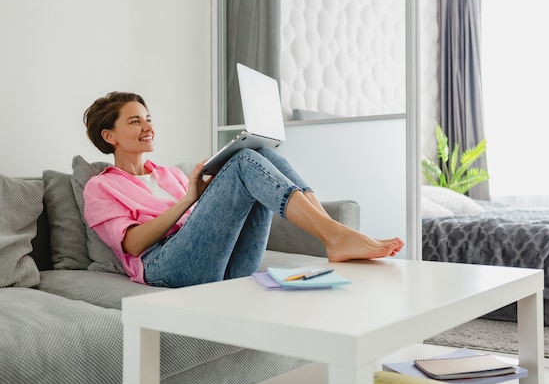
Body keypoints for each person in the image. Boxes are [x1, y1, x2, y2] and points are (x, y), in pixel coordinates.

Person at [82, 92, 404, 288]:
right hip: (162, 265)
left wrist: (213, 192)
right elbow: (134, 244)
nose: (149, 127)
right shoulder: (100, 186)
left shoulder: (168, 175)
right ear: (109, 136)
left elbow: (207, 223)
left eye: (148, 119)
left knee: (263, 154)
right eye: (135, 121)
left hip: (218, 260)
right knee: (244, 159)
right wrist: (189, 199)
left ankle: (334, 233)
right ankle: (335, 237)